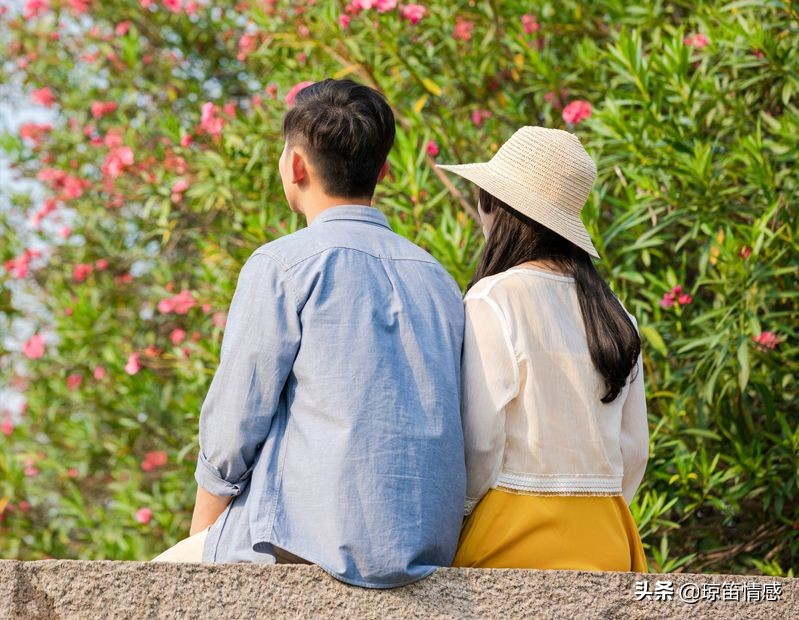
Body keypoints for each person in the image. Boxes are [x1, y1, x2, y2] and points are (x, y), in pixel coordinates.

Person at [153, 79, 467, 589]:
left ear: (295, 166)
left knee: (151, 585)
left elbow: (236, 422)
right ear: (383, 171)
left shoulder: (283, 265)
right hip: (426, 546)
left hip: (302, 542)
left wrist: (204, 535)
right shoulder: (439, 280)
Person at [437, 126, 649, 571]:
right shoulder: (615, 313)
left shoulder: (492, 299)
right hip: (608, 534)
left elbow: (481, 442)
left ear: (494, 207)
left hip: (512, 532)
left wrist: (466, 514)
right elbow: (635, 450)